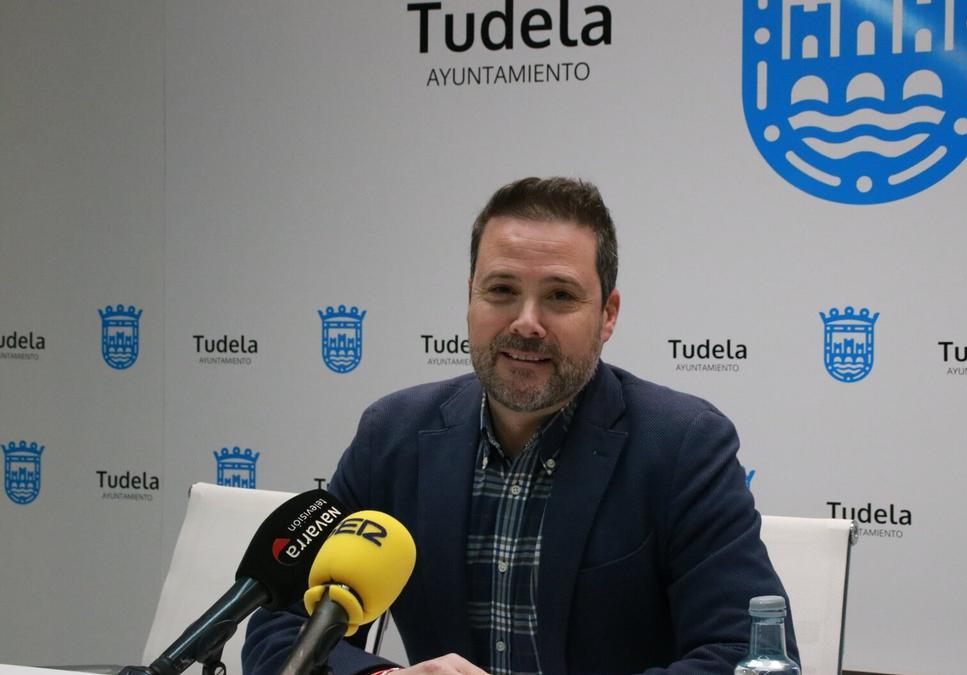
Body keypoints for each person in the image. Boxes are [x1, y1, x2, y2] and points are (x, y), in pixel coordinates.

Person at [243, 177, 796, 674]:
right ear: (470, 296)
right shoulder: (393, 436)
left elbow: (745, 653)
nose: (526, 323)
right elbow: (282, 629)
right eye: (502, 290)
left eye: (560, 296)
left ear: (607, 314)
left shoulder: (683, 445)